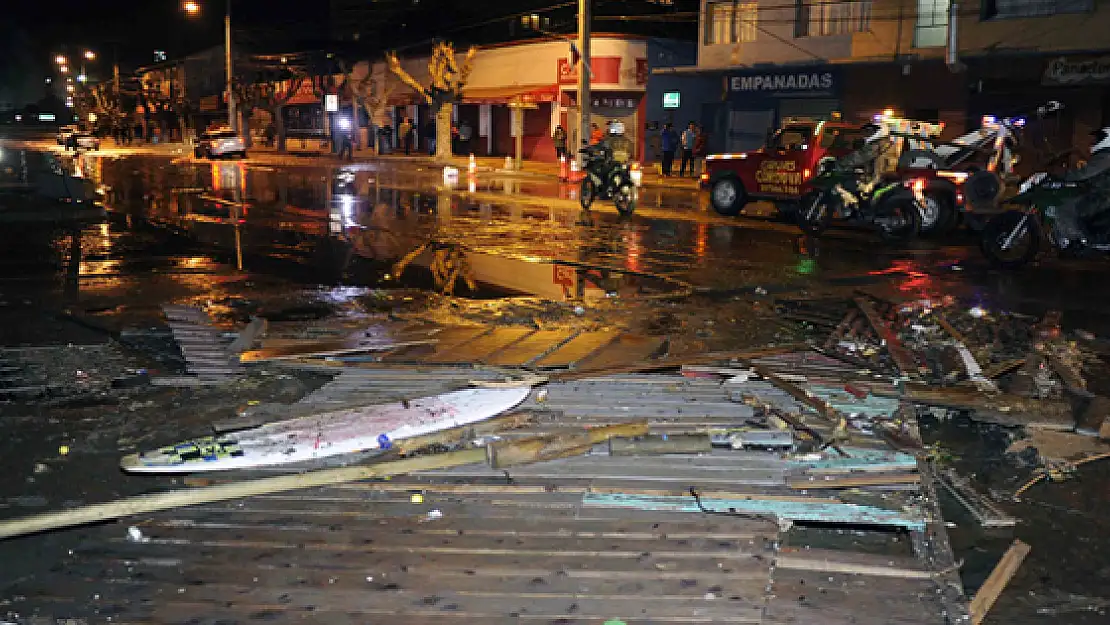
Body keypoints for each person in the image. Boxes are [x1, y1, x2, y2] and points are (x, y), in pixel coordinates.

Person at [1054, 127, 1110, 246]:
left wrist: (1062, 175)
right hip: (1102, 194)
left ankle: (1076, 241)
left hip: (1103, 197)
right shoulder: (1103, 156)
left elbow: (1083, 174)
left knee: (1064, 206)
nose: (1093, 142)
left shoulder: (1105, 157)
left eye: (1098, 139)